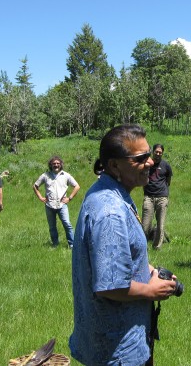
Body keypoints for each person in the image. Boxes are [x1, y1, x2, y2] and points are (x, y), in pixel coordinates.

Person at [69, 124, 178, 366]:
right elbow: (110, 286)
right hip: (117, 349)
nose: (150, 162)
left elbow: (119, 256)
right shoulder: (110, 211)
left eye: (149, 154)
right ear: (114, 164)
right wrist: (151, 291)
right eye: (140, 158)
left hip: (117, 340)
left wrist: (149, 270)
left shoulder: (112, 193)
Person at [33, 156, 81, 248]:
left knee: (67, 224)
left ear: (61, 165)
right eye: (54, 163)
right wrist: (40, 197)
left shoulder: (66, 175)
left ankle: (72, 245)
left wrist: (69, 198)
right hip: (49, 205)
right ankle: (55, 244)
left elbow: (77, 186)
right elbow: (35, 186)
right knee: (52, 226)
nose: (56, 165)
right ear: (50, 165)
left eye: (58, 163)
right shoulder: (45, 175)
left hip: (62, 205)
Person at [141, 144, 173, 249]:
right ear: (153, 152)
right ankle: (142, 246)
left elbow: (168, 181)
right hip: (148, 197)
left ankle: (157, 247)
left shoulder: (166, 166)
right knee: (145, 225)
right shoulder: (147, 164)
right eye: (156, 152)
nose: (158, 154)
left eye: (160, 152)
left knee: (161, 225)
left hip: (162, 197)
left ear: (162, 153)